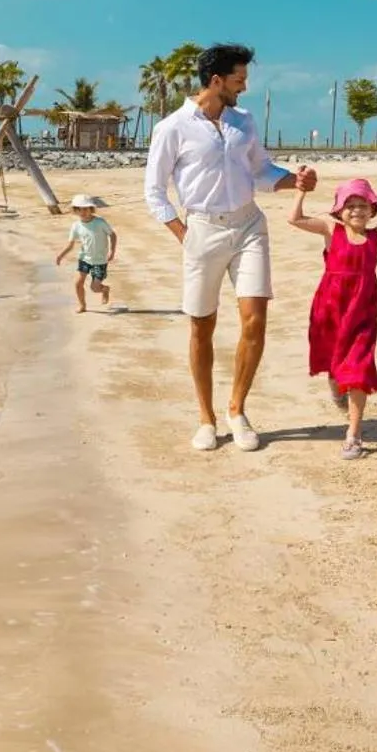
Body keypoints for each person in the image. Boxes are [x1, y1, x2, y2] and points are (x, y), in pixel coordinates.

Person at [144, 43, 316, 451]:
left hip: (249, 225)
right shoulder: (172, 127)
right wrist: (183, 234)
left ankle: (237, 410)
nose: (244, 87)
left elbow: (260, 170)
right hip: (201, 230)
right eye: (239, 80)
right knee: (201, 325)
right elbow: (154, 191)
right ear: (216, 80)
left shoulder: (244, 121)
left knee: (255, 320)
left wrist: (293, 180)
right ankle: (205, 418)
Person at [288, 175, 377, 459]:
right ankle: (336, 386)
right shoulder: (331, 229)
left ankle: (353, 434)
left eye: (363, 205)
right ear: (339, 210)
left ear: (372, 209)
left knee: (358, 369)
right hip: (330, 310)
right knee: (333, 365)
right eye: (350, 205)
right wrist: (300, 190)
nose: (356, 211)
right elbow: (295, 218)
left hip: (362, 313)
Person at [53, 194, 117, 313]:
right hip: (84, 259)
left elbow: (112, 235)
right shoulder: (76, 226)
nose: (83, 212)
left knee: (95, 288)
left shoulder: (100, 222)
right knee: (78, 283)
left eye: (86, 209)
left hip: (99, 260)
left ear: (91, 209)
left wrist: (112, 251)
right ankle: (82, 305)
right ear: (75, 211)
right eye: (79, 209)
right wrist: (60, 255)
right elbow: (70, 244)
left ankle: (104, 289)